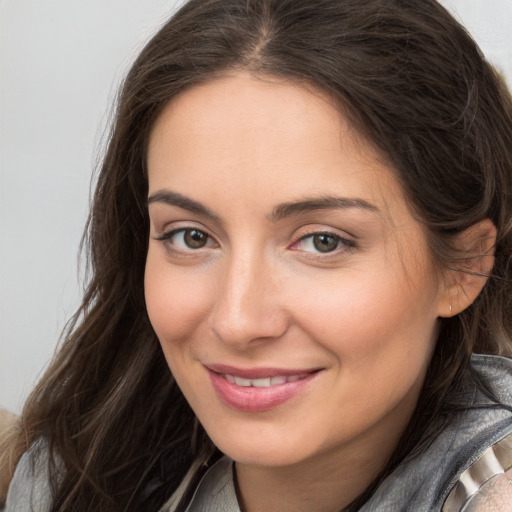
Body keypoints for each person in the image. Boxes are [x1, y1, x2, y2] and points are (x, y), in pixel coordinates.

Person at [4, 0, 512, 510]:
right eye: (191, 237)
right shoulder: (66, 478)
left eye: (322, 241)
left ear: (463, 266)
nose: (238, 321)